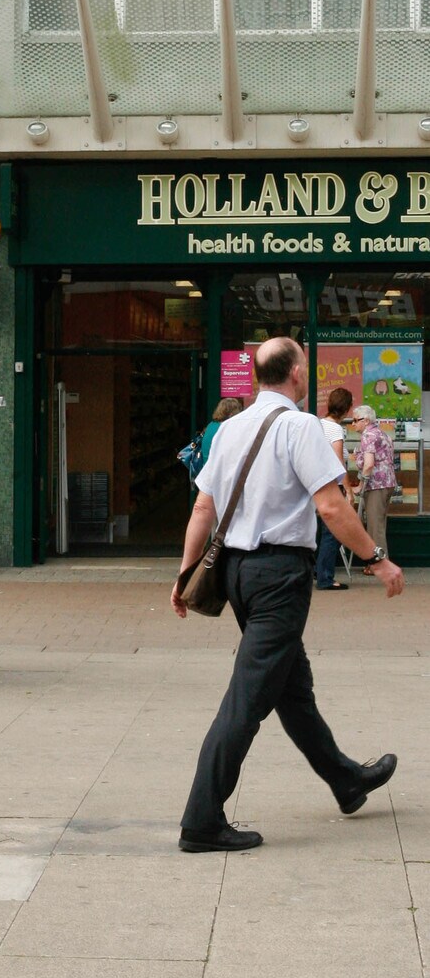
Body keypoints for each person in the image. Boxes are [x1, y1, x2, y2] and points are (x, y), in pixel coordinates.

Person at [172, 336, 403, 854]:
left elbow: (202, 510)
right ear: (297, 373)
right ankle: (201, 821)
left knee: (290, 690)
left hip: (235, 573)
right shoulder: (300, 427)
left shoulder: (229, 429)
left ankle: (346, 780)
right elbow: (332, 507)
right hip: (278, 577)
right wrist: (376, 558)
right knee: (246, 701)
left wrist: (185, 574)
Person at [351, 403, 399, 573]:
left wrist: (360, 485)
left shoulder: (368, 436)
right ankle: (377, 563)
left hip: (376, 485)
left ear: (365, 420)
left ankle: (379, 566)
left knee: (374, 525)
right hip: (388, 483)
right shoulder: (383, 434)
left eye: (356, 420)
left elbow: (369, 465)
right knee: (379, 523)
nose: (353, 424)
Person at [315, 386, 354, 591]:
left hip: (317, 484)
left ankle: (318, 570)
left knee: (323, 532)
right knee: (334, 533)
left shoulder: (319, 425)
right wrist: (347, 489)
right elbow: (338, 461)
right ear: (347, 409)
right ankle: (325, 577)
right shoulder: (335, 429)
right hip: (333, 487)